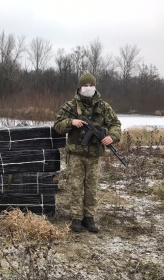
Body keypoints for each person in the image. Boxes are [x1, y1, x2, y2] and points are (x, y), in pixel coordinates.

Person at [54, 73, 121, 233]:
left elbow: (115, 124)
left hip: (94, 155)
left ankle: (89, 218)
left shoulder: (104, 107)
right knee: (75, 186)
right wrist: (71, 122)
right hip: (76, 154)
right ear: (79, 87)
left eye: (92, 85)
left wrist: (112, 137)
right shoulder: (70, 106)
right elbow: (57, 125)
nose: (88, 88)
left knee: (91, 187)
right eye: (86, 85)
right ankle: (76, 218)